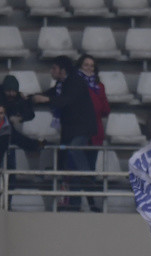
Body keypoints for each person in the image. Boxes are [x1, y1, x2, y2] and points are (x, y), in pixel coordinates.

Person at [30, 56, 98, 212]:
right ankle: (74, 202)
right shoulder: (62, 84)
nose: (51, 71)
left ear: (62, 70)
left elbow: (64, 100)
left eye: (54, 68)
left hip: (82, 128)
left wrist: (45, 99)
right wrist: (30, 97)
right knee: (70, 167)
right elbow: (49, 94)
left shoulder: (75, 82)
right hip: (70, 130)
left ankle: (88, 178)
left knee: (75, 149)